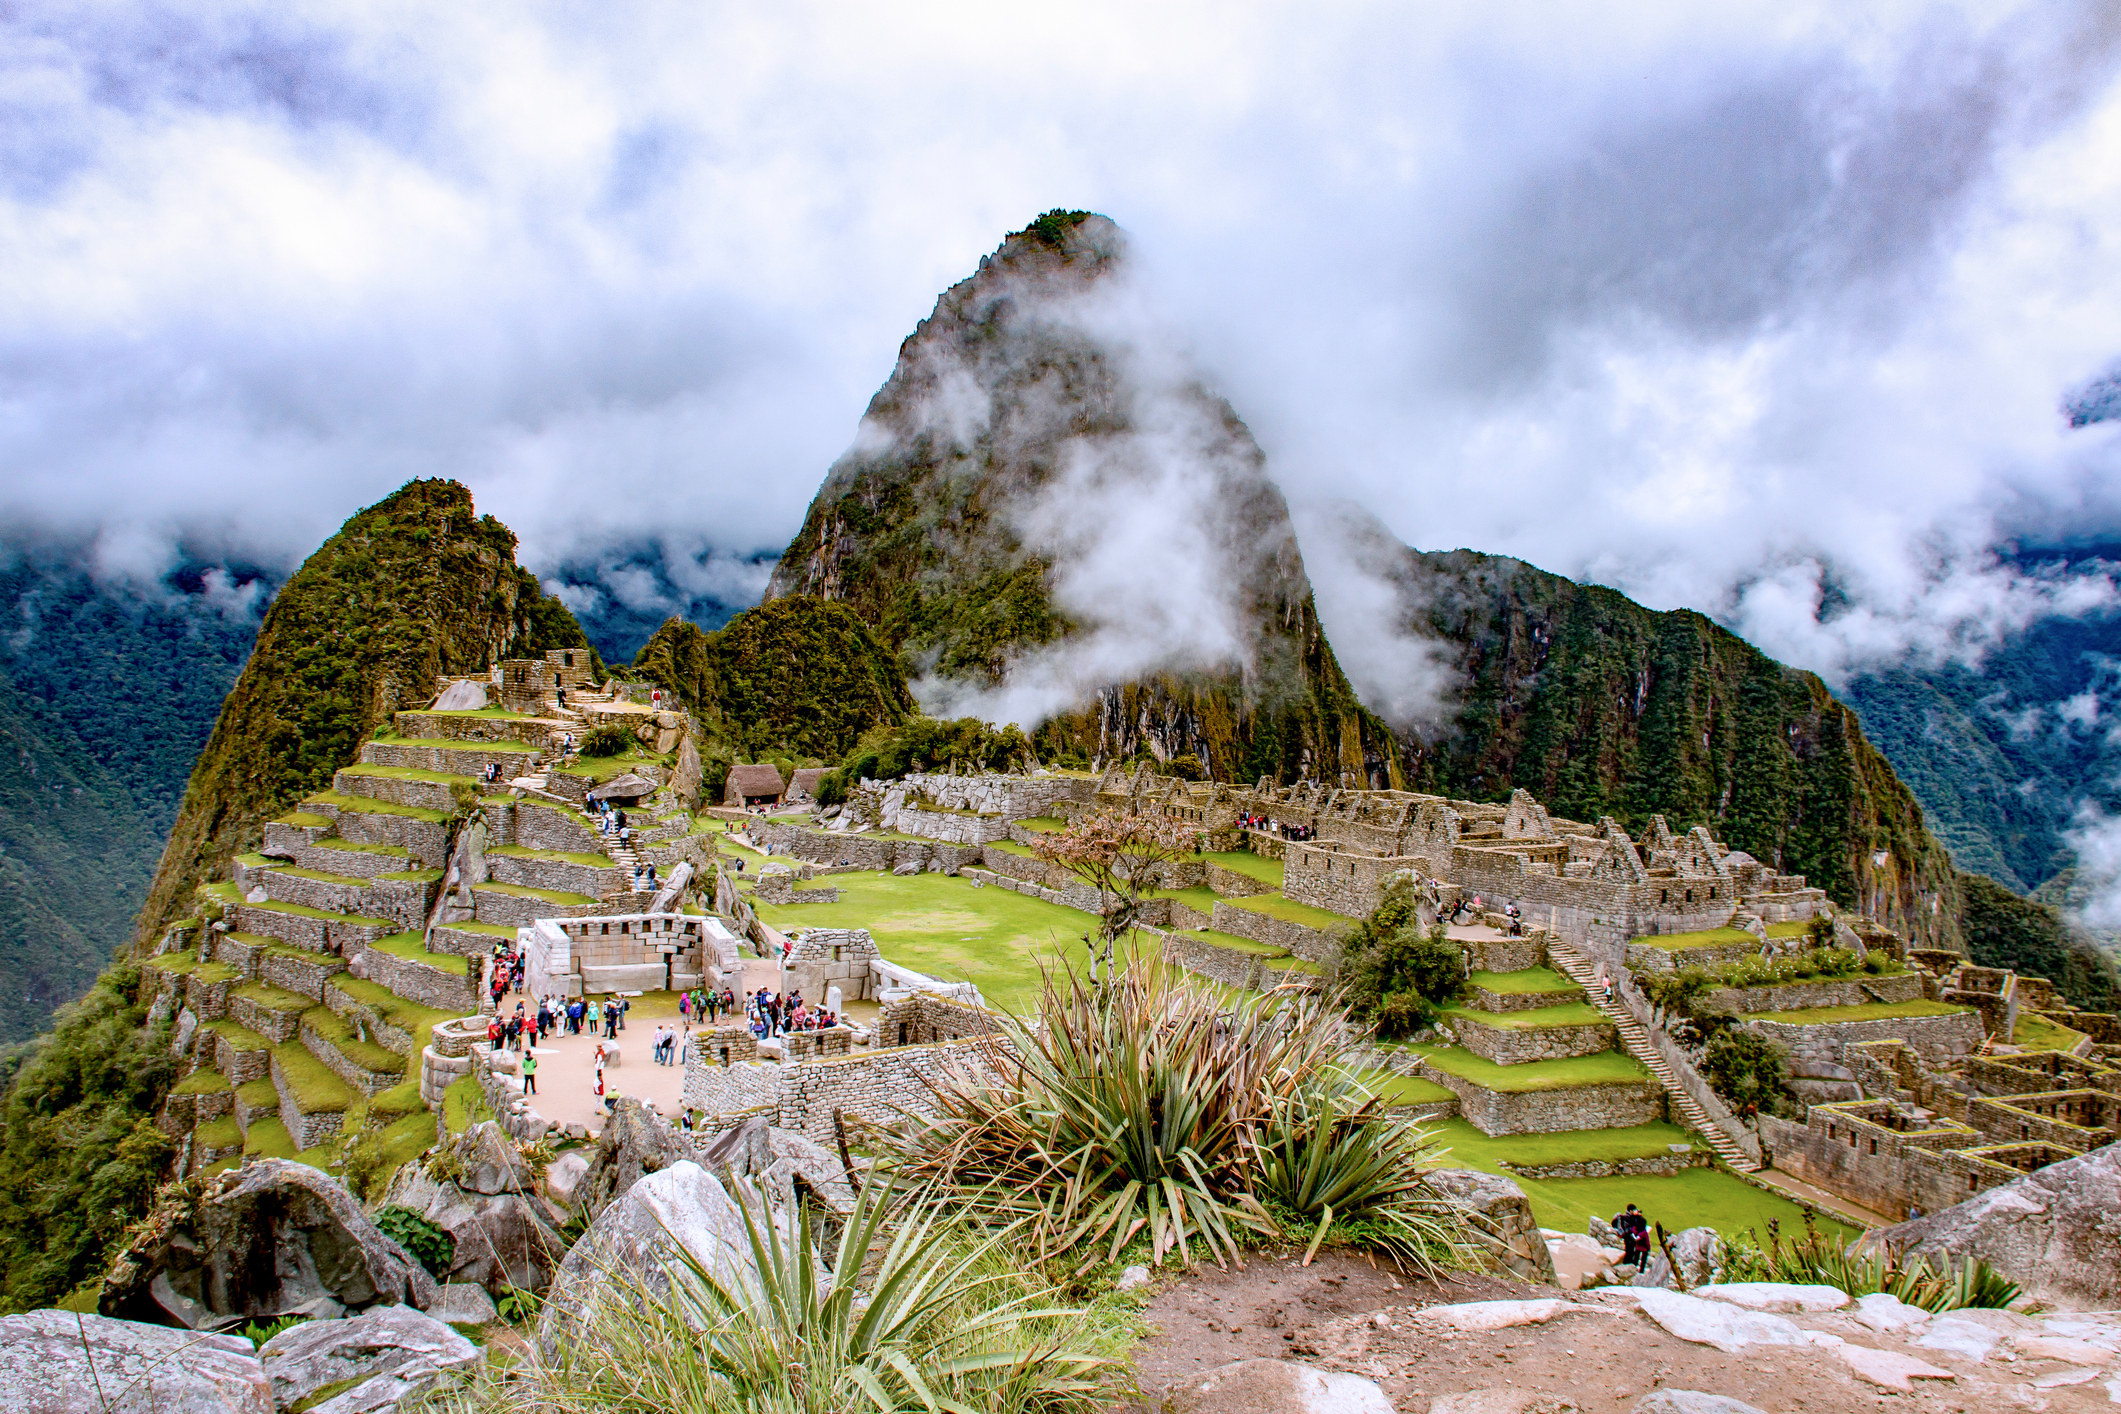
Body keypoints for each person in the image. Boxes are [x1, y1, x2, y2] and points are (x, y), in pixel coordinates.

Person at [1614, 1204, 1651, 1269]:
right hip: (1628, 1237)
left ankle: (1629, 1266)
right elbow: (1626, 1229)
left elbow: (1641, 1223)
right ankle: (1626, 1266)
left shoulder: (1635, 1217)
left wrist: (1639, 1216)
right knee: (1629, 1252)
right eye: (1634, 1210)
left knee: (1631, 1252)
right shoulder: (1625, 1218)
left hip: (1633, 1237)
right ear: (1630, 1211)